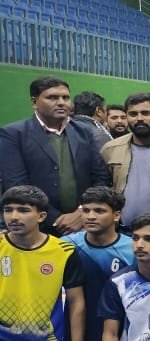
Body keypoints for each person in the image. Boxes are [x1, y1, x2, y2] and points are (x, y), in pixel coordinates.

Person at [0, 186, 87, 341]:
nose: (14, 217)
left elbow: (77, 303)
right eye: (8, 210)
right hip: (2, 335)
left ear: (41, 216)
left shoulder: (63, 251)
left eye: (23, 210)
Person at [2, 76, 112, 235]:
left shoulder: (84, 132)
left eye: (65, 98)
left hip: (83, 226)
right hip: (37, 228)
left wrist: (82, 211)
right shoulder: (13, 134)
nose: (61, 102)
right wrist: (56, 219)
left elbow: (101, 176)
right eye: (52, 97)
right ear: (34, 102)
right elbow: (16, 184)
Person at [62, 187, 135, 341]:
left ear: (116, 215)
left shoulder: (133, 248)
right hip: (80, 330)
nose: (90, 216)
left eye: (99, 211)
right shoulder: (66, 245)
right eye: (86, 210)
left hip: (120, 332)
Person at [100, 92, 150, 228]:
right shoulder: (110, 149)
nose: (139, 118)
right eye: (133, 114)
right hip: (121, 230)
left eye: (145, 113)